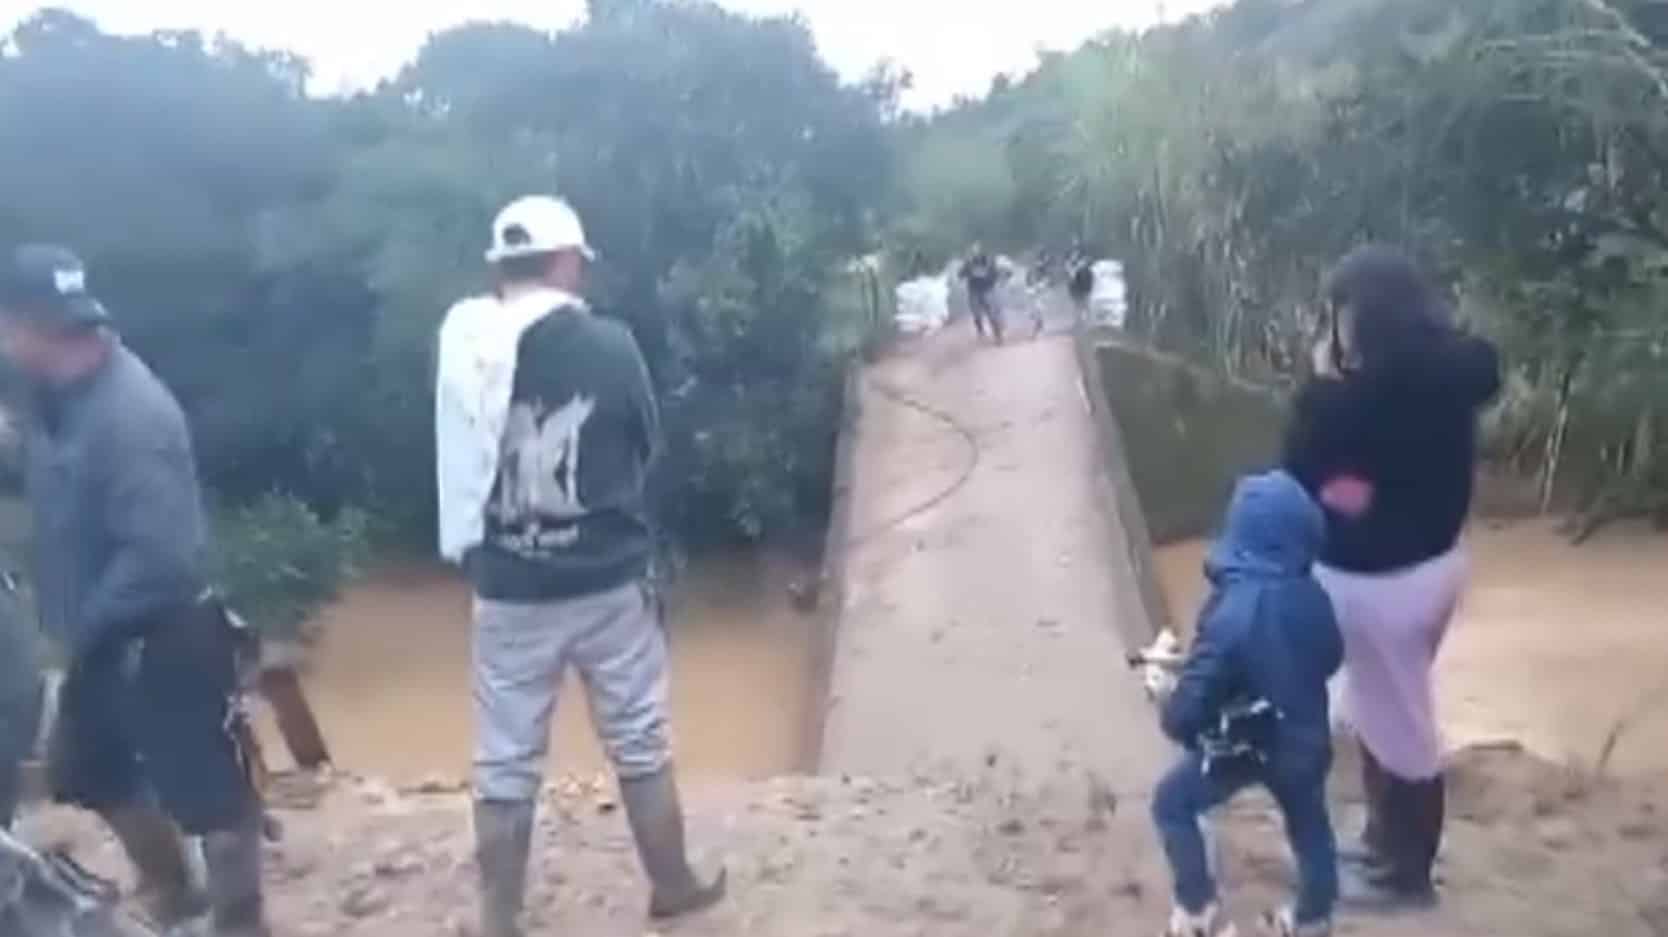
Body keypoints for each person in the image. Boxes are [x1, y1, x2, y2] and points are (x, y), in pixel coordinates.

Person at [435, 196, 725, 937]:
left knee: (504, 758)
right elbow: (645, 443)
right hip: (607, 582)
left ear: (499, 268)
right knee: (638, 737)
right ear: (566, 263)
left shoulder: (463, 345)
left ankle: (498, 918)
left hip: (508, 587)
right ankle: (673, 885)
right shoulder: (610, 345)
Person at [0, 244, 268, 936]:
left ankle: (241, 923)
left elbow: (164, 557)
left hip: (166, 627)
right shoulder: (46, 395)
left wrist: (77, 632)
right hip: (96, 632)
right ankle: (174, 891)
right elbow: (35, 462)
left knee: (211, 791)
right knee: (86, 770)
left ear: (30, 328)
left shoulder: (132, 417)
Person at [1282, 244, 1501, 910]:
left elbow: (1303, 476)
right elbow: (1351, 485)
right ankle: (1384, 842)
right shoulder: (1456, 373)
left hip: (1376, 585)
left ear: (1362, 316)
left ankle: (1405, 873)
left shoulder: (1345, 403)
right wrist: (1353, 491)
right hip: (1435, 566)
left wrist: (1322, 386)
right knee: (1388, 711)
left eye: (1338, 312)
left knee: (1400, 725)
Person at [1150, 469, 1343, 937]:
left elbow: (1184, 717)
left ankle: (1197, 909)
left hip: (1241, 746)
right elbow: (1331, 655)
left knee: (1171, 804)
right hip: (1302, 742)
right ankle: (1314, 919)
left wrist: (1165, 688)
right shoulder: (1313, 595)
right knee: (1311, 828)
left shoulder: (1231, 609)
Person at [958, 245, 1004, 344]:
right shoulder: (969, 263)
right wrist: (966, 272)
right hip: (974, 291)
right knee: (976, 314)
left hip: (987, 290)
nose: (975, 255)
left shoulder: (989, 262)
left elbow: (996, 274)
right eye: (973, 253)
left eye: (977, 252)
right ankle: (981, 331)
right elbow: (961, 274)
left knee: (992, 315)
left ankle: (998, 336)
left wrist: (990, 278)